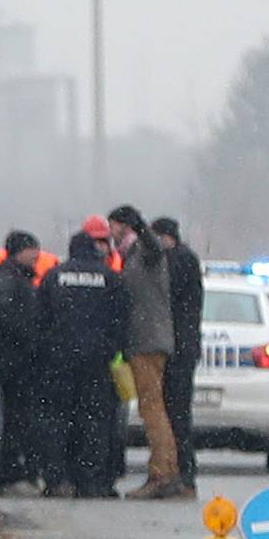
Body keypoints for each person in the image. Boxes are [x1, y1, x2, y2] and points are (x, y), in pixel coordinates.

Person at [37, 225, 127, 498]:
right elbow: (121, 320)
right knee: (95, 422)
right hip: (97, 363)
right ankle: (92, 481)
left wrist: (49, 351)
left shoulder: (53, 277)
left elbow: (41, 319)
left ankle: (59, 479)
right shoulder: (109, 278)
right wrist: (110, 349)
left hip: (59, 362)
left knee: (58, 420)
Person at [106, 204, 184, 499]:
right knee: (153, 407)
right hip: (143, 340)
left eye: (113, 225)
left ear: (124, 226)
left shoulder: (144, 252)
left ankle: (162, 474)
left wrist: (140, 226)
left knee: (152, 408)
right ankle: (168, 469)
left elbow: (154, 247)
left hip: (148, 341)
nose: (110, 232)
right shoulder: (130, 256)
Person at [0, 230, 50, 486]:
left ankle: (16, 468)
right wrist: (26, 337)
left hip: (15, 359)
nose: (37, 255)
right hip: (13, 361)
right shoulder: (9, 278)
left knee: (17, 415)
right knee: (17, 416)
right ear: (20, 251)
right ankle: (13, 469)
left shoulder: (17, 276)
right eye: (33, 250)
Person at [152, 217, 204, 497]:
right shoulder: (187, 259)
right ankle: (181, 473)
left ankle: (183, 474)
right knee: (178, 412)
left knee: (176, 412)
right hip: (183, 346)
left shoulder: (178, 260)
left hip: (178, 348)